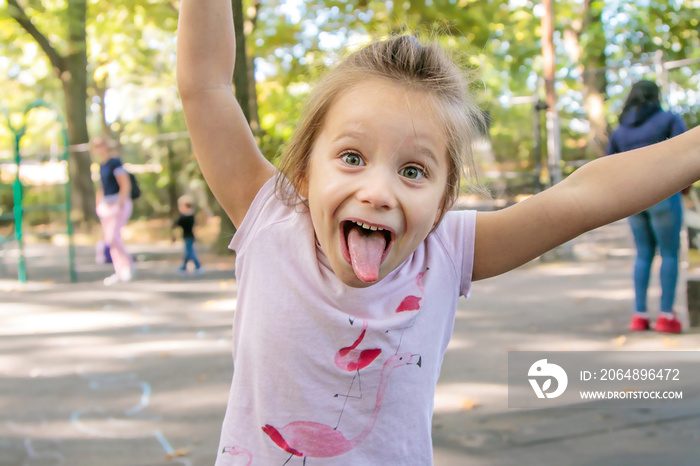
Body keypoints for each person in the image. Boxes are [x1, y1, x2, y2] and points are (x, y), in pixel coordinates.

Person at [177, 1, 700, 463]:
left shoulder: (446, 250)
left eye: (413, 171)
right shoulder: (268, 215)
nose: (379, 192)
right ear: (306, 171)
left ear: (444, 201)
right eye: (352, 157)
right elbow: (205, 87)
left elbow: (581, 198)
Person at [607, 80, 687, 334]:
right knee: (670, 253)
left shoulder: (620, 131)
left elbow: (610, 166)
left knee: (643, 254)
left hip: (632, 199)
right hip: (664, 196)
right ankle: (666, 316)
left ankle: (639, 315)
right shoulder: (669, 120)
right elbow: (687, 155)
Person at [93, 136, 134, 286]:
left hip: (118, 203)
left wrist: (120, 203)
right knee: (110, 240)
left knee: (113, 237)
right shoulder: (101, 165)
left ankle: (127, 266)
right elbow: (101, 187)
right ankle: (119, 270)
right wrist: (99, 205)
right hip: (106, 205)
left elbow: (125, 184)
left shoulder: (115, 163)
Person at [172, 194, 203, 274]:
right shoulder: (189, 216)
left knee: (190, 252)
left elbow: (177, 223)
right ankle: (184, 267)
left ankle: (197, 265)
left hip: (188, 237)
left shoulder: (188, 217)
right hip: (187, 236)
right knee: (188, 252)